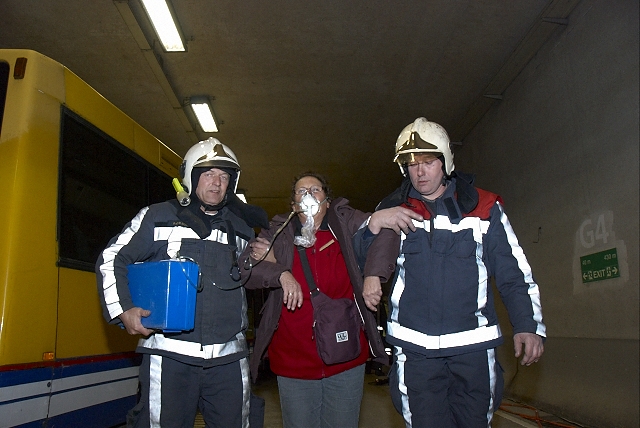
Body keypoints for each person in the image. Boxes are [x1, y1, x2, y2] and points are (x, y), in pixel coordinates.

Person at [353, 117, 546, 427]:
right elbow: (359, 263)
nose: (419, 171)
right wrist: (374, 223)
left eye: (428, 162)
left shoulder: (484, 208)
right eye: (411, 163)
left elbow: (513, 271)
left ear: (445, 162)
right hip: (416, 353)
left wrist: (528, 324)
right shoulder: (393, 210)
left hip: (473, 350)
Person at [96, 137, 268, 428]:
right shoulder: (157, 216)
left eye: (224, 176)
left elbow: (256, 278)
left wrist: (266, 259)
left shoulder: (242, 229)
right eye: (209, 174)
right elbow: (112, 257)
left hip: (229, 360)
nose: (216, 183)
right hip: (170, 358)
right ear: (191, 177)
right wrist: (123, 309)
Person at [242, 172, 389, 428]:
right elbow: (246, 268)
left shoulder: (346, 224)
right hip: (294, 362)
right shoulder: (277, 233)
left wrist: (373, 274)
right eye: (301, 192)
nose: (308, 195)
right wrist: (281, 273)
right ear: (293, 205)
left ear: (328, 201)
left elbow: (384, 234)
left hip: (345, 357)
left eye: (315, 190)